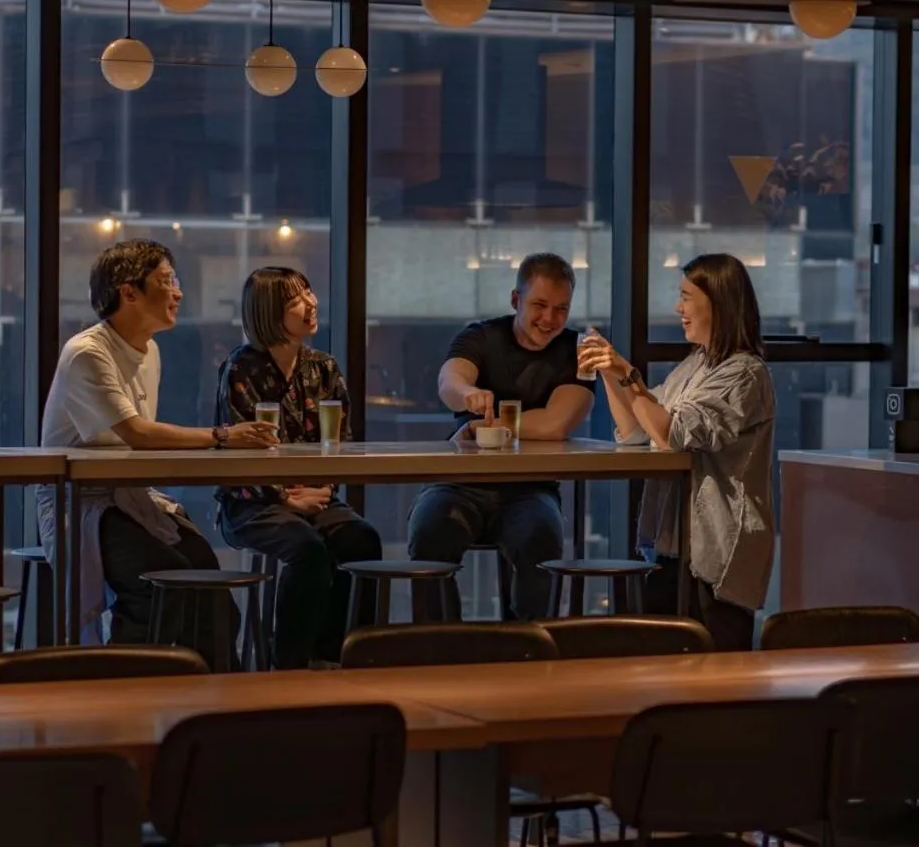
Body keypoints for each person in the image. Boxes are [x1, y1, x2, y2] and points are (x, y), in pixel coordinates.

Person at [36, 239, 278, 651]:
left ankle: (215, 696)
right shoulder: (87, 352)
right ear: (128, 291)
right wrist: (221, 436)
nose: (178, 292)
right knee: (159, 582)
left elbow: (140, 436)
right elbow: (137, 433)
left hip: (130, 497)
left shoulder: (150, 352)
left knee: (209, 582)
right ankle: (128, 693)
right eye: (167, 280)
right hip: (79, 504)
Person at [579, 253, 775, 651]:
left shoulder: (744, 372)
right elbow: (638, 430)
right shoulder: (695, 364)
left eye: (686, 297)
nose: (678, 308)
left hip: (717, 541)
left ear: (717, 303)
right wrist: (610, 372)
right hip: (677, 541)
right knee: (670, 656)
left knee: (717, 664)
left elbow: (673, 433)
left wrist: (628, 374)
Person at [407, 253, 595, 620]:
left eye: (561, 309)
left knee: (541, 539)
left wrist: (482, 425)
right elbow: (449, 383)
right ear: (515, 300)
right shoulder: (480, 336)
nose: (549, 319)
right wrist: (467, 395)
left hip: (530, 487)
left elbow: (557, 424)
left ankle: (528, 650)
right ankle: (437, 647)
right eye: (539, 305)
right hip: (458, 482)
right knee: (431, 533)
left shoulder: (577, 350)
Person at [215, 267, 382, 670]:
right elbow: (241, 451)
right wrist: (285, 497)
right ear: (270, 313)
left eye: (309, 292)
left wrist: (318, 490)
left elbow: (341, 439)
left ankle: (336, 655)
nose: (311, 304)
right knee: (307, 550)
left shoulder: (323, 367)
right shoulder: (241, 369)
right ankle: (287, 665)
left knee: (363, 541)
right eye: (296, 300)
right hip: (249, 503)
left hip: (316, 498)